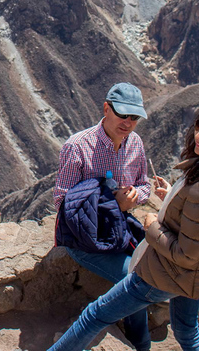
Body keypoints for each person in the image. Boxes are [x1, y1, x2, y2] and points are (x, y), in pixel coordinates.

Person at [49, 101, 199, 351]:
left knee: (95, 316)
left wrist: (152, 225)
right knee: (187, 331)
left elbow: (185, 253)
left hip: (167, 272)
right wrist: (174, 198)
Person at [53, 82, 152, 351]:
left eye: (134, 117)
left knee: (151, 269)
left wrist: (135, 197)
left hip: (119, 231)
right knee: (136, 279)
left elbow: (144, 185)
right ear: (106, 108)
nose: (129, 123)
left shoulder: (135, 144)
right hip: (84, 240)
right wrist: (112, 204)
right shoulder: (78, 147)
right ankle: (142, 343)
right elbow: (61, 202)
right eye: (123, 115)